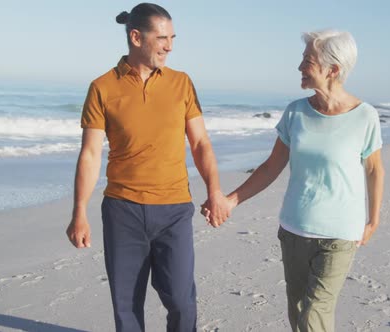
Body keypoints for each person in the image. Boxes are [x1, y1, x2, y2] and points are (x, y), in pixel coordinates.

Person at [203, 29, 385, 331]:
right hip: (294, 230)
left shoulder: (365, 116)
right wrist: (230, 201)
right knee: (298, 313)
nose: (300, 67)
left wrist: (373, 220)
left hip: (340, 234)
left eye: (308, 61)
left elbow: (374, 169)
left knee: (314, 316)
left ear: (333, 69)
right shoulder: (295, 113)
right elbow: (271, 166)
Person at [65, 3, 231, 331]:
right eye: (162, 38)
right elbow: (90, 155)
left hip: (174, 210)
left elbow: (200, 144)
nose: (169, 46)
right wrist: (79, 212)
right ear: (136, 37)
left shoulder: (181, 83)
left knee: (183, 302)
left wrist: (215, 192)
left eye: (172, 37)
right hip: (122, 211)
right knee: (126, 307)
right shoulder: (102, 87)